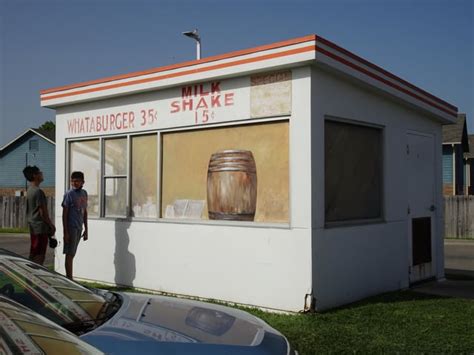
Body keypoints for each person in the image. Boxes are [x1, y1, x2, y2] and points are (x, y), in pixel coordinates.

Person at [22, 166, 55, 265]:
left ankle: (28, 278)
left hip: (33, 227)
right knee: (40, 255)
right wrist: (51, 225)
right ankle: (33, 278)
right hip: (40, 228)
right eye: (40, 172)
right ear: (35, 175)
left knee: (33, 253)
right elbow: (43, 212)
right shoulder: (38, 192)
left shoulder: (30, 190)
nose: (42, 174)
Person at [62, 171, 88, 280]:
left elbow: (84, 211)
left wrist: (86, 229)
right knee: (69, 254)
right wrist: (65, 232)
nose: (74, 183)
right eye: (73, 181)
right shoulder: (69, 194)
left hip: (79, 226)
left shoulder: (84, 193)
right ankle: (69, 278)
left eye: (77, 181)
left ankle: (70, 278)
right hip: (71, 227)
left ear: (83, 182)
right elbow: (65, 214)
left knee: (73, 253)